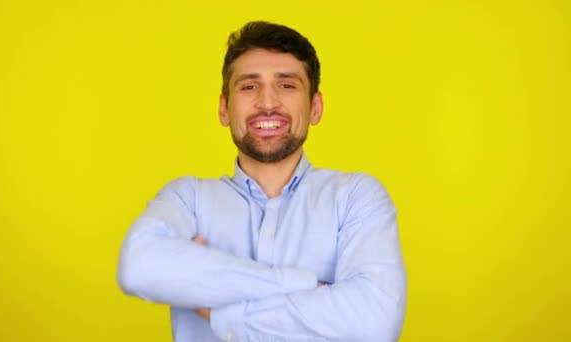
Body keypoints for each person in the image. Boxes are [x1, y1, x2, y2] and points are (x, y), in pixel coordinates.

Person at [117, 21, 407, 342]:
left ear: (315, 107)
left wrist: (217, 299)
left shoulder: (357, 197)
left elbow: (375, 322)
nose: (267, 103)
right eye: (249, 86)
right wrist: (302, 285)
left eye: (287, 85)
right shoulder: (187, 199)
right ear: (224, 108)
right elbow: (138, 267)